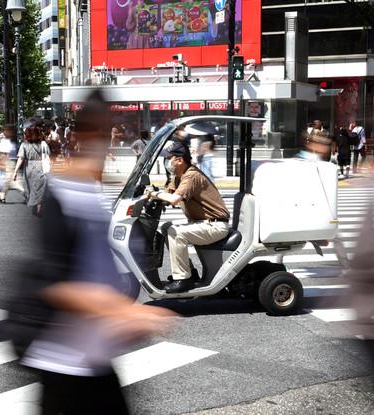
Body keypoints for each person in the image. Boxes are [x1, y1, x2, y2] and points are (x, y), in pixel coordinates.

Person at [18, 90, 176, 414]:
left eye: (109, 132)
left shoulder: (91, 191)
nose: (106, 143)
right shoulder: (61, 194)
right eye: (102, 133)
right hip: (63, 362)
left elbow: (95, 269)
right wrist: (123, 311)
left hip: (95, 358)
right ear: (82, 136)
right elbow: (55, 283)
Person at [147, 141, 230, 293]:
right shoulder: (179, 176)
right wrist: (151, 195)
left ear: (179, 160)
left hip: (215, 225)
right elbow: (169, 193)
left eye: (169, 157)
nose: (166, 161)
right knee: (166, 228)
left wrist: (153, 193)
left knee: (175, 232)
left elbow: (174, 199)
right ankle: (190, 272)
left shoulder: (191, 176)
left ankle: (183, 279)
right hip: (203, 223)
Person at [14, 125, 50, 216]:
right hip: (41, 166)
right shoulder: (43, 144)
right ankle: (38, 206)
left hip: (29, 167)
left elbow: (20, 159)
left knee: (32, 187)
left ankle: (36, 205)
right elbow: (48, 156)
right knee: (40, 187)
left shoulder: (24, 145)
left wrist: (15, 171)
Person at [0, 126, 25, 204]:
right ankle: (1, 196)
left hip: (8, 162)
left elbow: (3, 154)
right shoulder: (15, 141)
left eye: (5, 130)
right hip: (13, 161)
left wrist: (1, 164)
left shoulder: (6, 141)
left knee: (10, 182)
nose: (4, 132)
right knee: (7, 181)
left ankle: (27, 195)